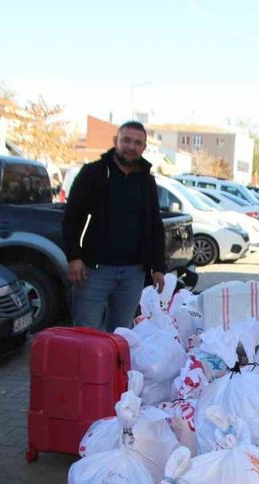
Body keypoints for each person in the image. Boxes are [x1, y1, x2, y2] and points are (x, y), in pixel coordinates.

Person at [62, 121, 167, 332]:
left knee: (121, 335)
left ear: (144, 148)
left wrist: (159, 268)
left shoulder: (146, 181)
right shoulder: (94, 173)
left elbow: (155, 224)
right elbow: (72, 217)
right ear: (115, 141)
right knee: (87, 334)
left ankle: (112, 367)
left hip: (133, 273)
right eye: (126, 140)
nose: (131, 146)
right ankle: (88, 367)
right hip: (94, 271)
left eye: (138, 143)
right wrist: (74, 257)